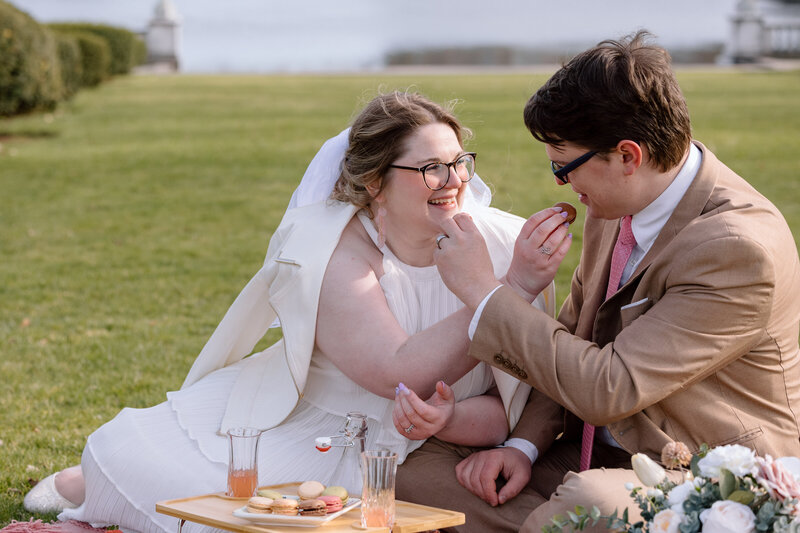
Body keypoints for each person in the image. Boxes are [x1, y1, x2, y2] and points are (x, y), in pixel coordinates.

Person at [22, 91, 556, 533]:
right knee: (174, 486)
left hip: (414, 455)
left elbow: (500, 408)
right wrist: (505, 290)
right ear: (375, 183)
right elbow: (400, 372)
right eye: (431, 168)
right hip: (318, 430)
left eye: (461, 162)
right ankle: (83, 486)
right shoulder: (333, 250)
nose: (456, 181)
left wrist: (451, 418)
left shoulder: (504, 243)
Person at [395, 31, 800, 532]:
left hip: (700, 472)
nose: (562, 184)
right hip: (590, 450)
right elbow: (570, 340)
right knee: (423, 475)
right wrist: (522, 447)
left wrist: (483, 291)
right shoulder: (616, 204)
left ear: (628, 156)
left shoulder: (737, 249)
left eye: (564, 166)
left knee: (589, 501)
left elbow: (608, 388)